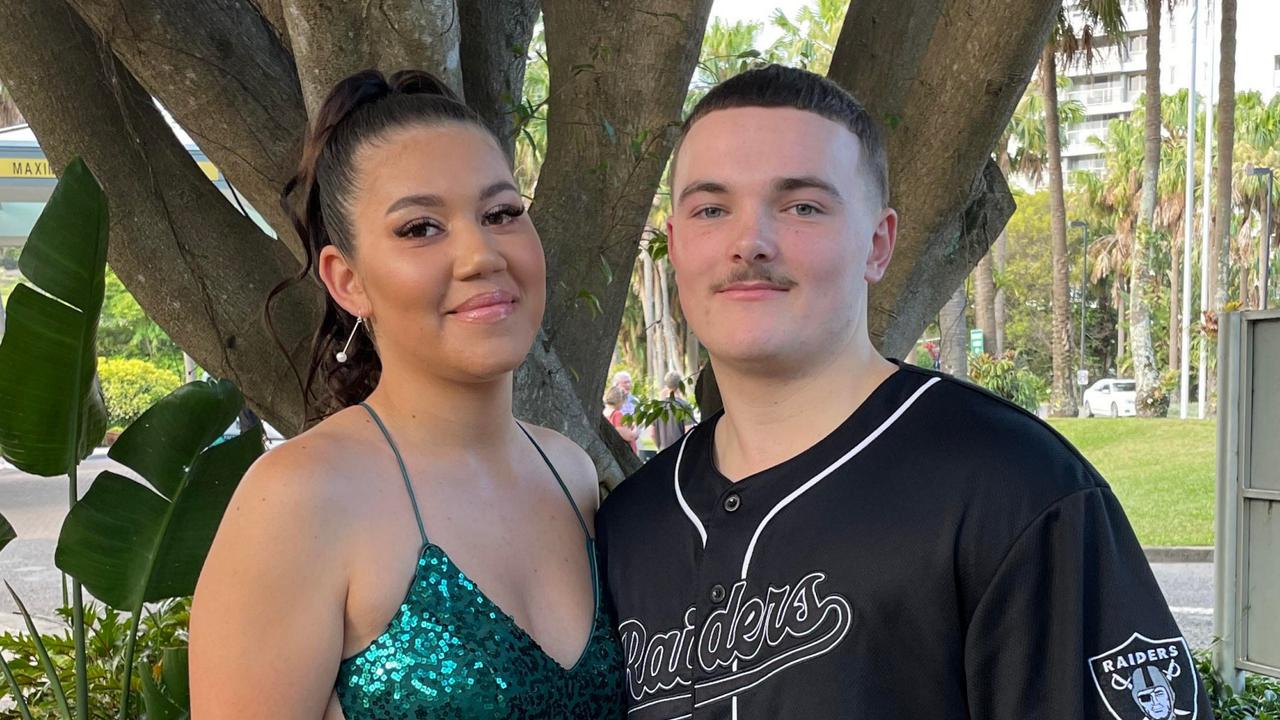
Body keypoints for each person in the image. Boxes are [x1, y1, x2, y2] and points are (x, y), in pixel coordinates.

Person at [594, 64, 1211, 719]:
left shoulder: (1015, 488)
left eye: (802, 205)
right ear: (675, 245)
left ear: (878, 244)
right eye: (712, 209)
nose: (750, 242)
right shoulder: (630, 525)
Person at [190, 69, 625, 719]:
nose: (482, 254)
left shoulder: (571, 474)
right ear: (347, 280)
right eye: (421, 228)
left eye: (502, 213)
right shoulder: (299, 498)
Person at [653, 371, 695, 450]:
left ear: (666, 385)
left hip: (662, 452)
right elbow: (688, 431)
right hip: (679, 451)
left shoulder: (657, 407)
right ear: (680, 384)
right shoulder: (685, 406)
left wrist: (659, 446)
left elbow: (652, 433)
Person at [604, 385, 638, 454]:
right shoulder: (616, 414)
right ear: (619, 400)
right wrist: (636, 428)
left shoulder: (605, 412)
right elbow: (629, 436)